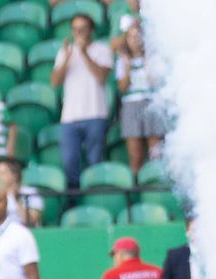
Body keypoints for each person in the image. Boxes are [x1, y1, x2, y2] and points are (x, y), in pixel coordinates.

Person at [51, 13, 112, 191]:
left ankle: (94, 198)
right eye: (76, 29)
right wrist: (69, 56)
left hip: (96, 113)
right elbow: (55, 81)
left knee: (95, 161)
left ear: (91, 30)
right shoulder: (65, 52)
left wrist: (84, 53)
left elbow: (101, 77)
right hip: (70, 116)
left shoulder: (102, 49)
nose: (79, 33)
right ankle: (74, 200)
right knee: (69, 160)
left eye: (83, 29)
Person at [116, 24, 164, 179]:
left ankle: (156, 182)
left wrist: (148, 61)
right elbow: (122, 87)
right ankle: (137, 191)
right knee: (135, 156)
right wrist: (128, 66)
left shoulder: (153, 58)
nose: (135, 40)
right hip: (131, 106)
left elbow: (155, 82)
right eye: (131, 36)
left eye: (138, 36)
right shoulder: (122, 61)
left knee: (156, 153)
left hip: (151, 103)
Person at [0, 159, 42, 227]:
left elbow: (31, 221)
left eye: (3, 173)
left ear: (14, 175)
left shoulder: (31, 192)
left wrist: (15, 198)